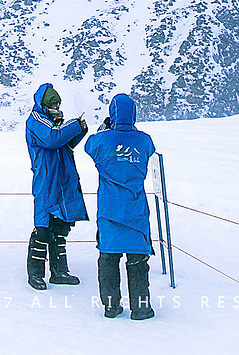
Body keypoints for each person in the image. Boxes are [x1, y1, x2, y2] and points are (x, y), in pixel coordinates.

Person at [84, 93, 156, 319]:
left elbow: (89, 146)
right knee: (137, 262)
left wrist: (106, 129)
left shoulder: (102, 141)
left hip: (109, 210)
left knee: (108, 258)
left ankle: (111, 306)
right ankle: (141, 307)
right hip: (136, 210)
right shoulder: (144, 140)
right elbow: (149, 150)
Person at [25, 83, 88, 290]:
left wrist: (79, 131)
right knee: (43, 227)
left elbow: (65, 143)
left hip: (61, 179)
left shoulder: (53, 121)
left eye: (57, 102)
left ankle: (59, 271)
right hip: (46, 179)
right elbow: (52, 138)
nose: (56, 105)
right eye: (52, 102)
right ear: (43, 103)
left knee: (60, 226)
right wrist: (74, 126)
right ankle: (35, 273)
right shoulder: (36, 120)